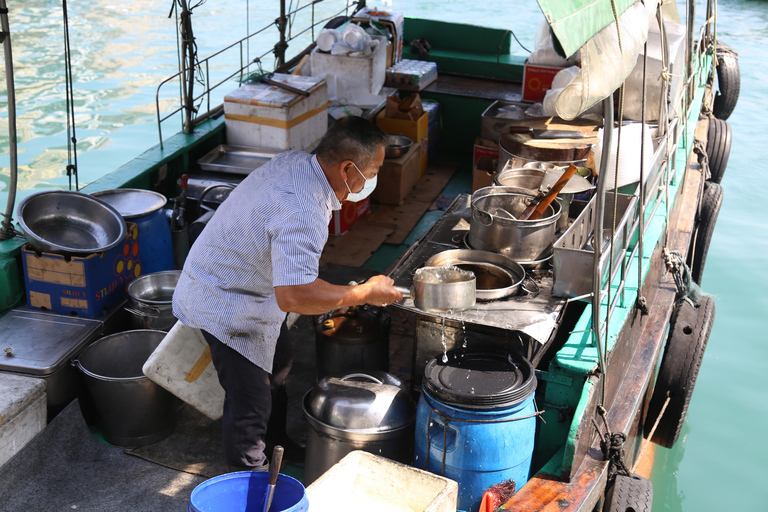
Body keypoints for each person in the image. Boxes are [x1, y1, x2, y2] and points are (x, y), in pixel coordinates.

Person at [172, 116, 403, 471]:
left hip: (251, 283)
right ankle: (249, 479)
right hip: (222, 298)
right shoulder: (304, 209)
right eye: (372, 171)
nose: (373, 179)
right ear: (347, 168)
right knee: (249, 403)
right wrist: (364, 293)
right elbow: (294, 298)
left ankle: (277, 444)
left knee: (278, 367)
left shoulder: (297, 162)